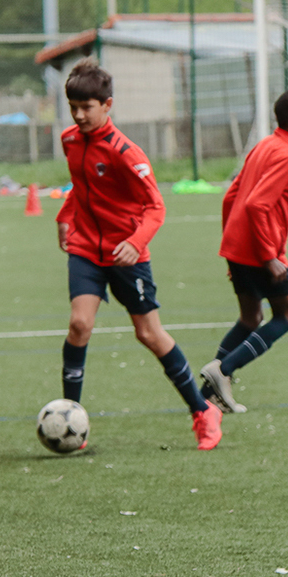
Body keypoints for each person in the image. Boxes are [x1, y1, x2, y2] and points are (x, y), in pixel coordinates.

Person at [54, 59, 222, 451]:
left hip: (128, 256)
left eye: (87, 108)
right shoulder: (70, 140)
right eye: (74, 108)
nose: (79, 116)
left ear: (107, 105)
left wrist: (136, 240)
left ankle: (202, 411)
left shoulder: (125, 152)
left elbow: (156, 207)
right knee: (80, 325)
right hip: (86, 251)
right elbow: (79, 188)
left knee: (148, 333)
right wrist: (64, 217)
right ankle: (72, 418)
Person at [200, 89, 288, 414]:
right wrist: (269, 255)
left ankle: (204, 395)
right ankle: (223, 370)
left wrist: (231, 247)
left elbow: (231, 197)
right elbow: (256, 204)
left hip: (238, 247)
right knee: (287, 315)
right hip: (259, 251)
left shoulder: (264, 144)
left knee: (251, 317)